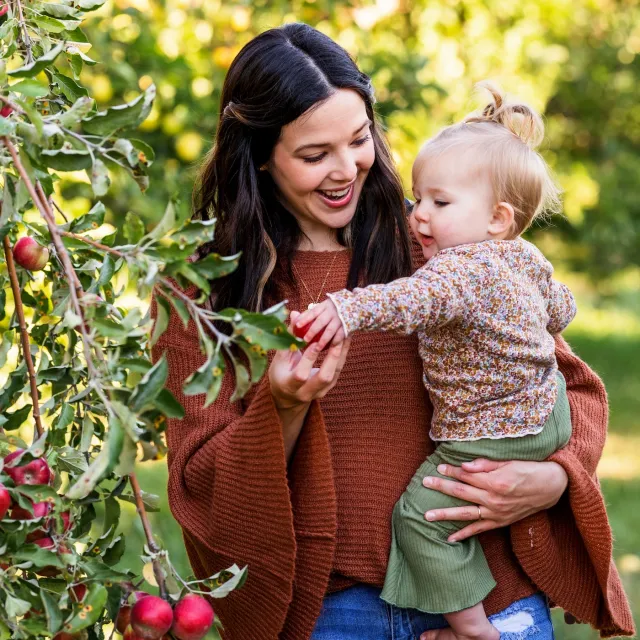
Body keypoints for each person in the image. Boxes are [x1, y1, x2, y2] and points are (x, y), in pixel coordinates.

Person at [151, 23, 634, 640]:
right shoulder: (201, 290)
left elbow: (569, 385)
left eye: (358, 141)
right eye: (313, 154)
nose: (346, 169)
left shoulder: (437, 243)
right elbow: (200, 486)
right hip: (331, 613)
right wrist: (283, 405)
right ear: (259, 154)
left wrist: (553, 477)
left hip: (490, 598)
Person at [294, 85, 592, 640]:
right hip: (545, 413)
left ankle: (473, 628)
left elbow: (404, 300)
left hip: (493, 433)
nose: (420, 216)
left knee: (421, 518)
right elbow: (560, 308)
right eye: (419, 198)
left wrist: (344, 307)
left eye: (439, 203)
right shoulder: (522, 254)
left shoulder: (452, 270)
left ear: (498, 217)